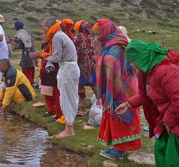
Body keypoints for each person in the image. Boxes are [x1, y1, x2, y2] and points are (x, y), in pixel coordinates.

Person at [115, 40, 179, 166]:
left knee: (172, 158)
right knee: (161, 151)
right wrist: (129, 104)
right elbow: (148, 93)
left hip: (174, 120)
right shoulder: (149, 70)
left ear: (140, 58)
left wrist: (169, 121)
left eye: (133, 61)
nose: (132, 64)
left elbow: (178, 99)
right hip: (169, 118)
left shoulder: (165, 70)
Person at [93, 19, 141, 160]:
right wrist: (99, 52)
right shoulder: (108, 44)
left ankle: (122, 149)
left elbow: (112, 62)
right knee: (115, 116)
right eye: (95, 33)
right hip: (118, 86)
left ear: (106, 31)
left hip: (123, 87)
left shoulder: (116, 45)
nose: (97, 36)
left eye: (98, 33)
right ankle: (118, 146)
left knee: (121, 116)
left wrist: (100, 53)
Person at [40, 17, 80, 138]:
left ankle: (69, 129)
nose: (45, 31)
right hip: (69, 67)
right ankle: (69, 126)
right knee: (68, 97)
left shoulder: (57, 36)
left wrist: (41, 56)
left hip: (67, 68)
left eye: (45, 28)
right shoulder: (60, 34)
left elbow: (56, 58)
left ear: (50, 26)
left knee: (67, 98)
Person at [32, 34, 63, 120]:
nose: (43, 36)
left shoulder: (55, 43)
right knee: (46, 90)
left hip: (53, 71)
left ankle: (58, 112)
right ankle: (51, 109)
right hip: (45, 70)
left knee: (56, 93)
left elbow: (52, 57)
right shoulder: (46, 45)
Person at [74, 20, 97, 116]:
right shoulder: (92, 36)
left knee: (80, 84)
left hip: (81, 64)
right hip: (92, 65)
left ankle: (83, 101)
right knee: (94, 84)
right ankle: (100, 100)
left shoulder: (78, 37)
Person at [12, 20, 37, 85]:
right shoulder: (27, 31)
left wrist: (16, 47)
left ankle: (28, 86)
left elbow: (22, 45)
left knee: (26, 70)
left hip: (27, 54)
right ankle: (30, 84)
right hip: (32, 51)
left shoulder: (21, 33)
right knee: (31, 70)